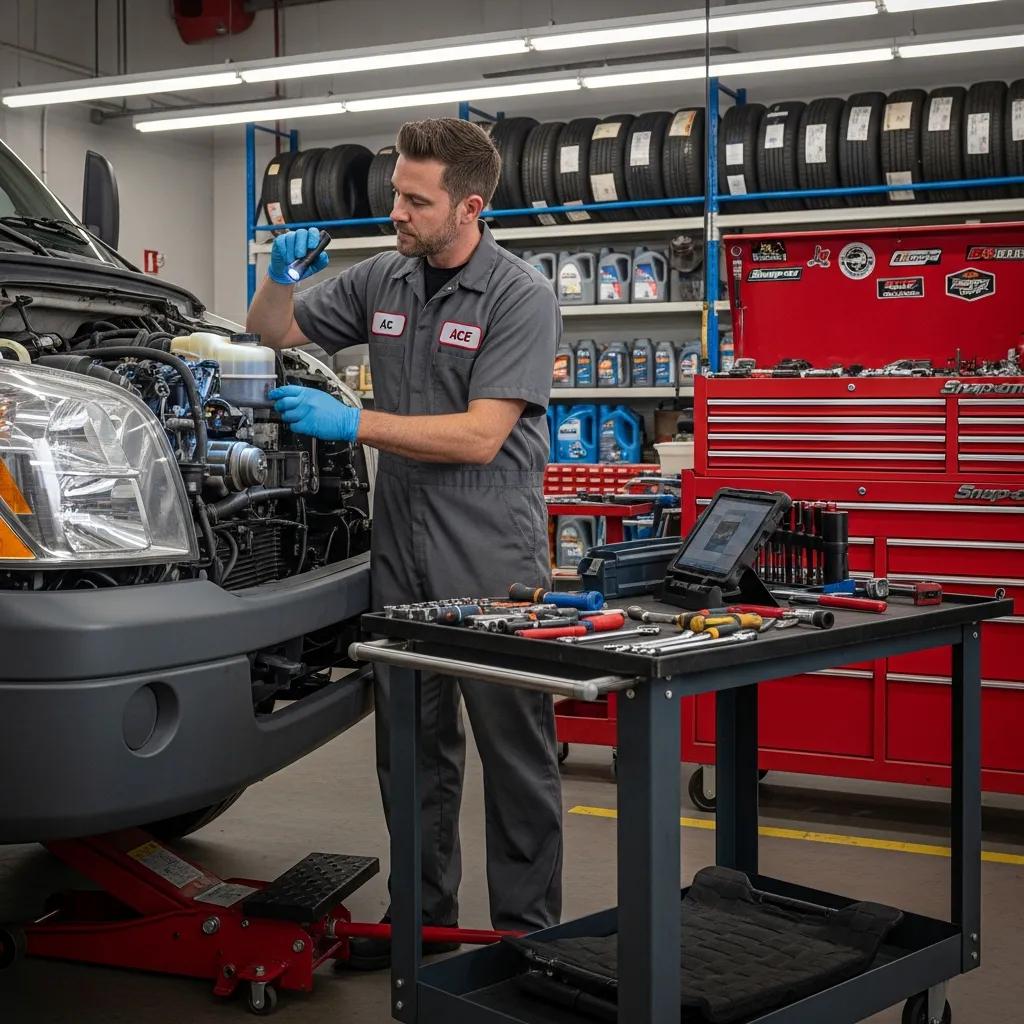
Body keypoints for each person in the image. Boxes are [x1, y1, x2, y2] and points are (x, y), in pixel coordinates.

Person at [246, 117, 563, 969]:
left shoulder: (519, 296)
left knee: (515, 753)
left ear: (468, 206)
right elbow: (274, 335)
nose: (398, 211)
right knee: (411, 751)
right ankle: (418, 927)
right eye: (395, 194)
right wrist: (275, 277)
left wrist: (354, 421)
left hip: (490, 548)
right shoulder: (385, 277)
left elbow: (481, 437)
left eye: (416, 201)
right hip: (402, 543)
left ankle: (525, 940)